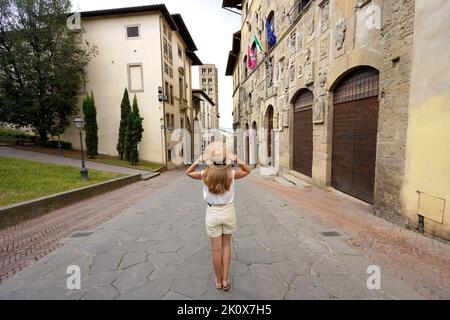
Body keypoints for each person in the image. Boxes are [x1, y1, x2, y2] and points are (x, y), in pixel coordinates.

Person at [185, 142, 251, 291]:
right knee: (226, 245)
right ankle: (226, 280)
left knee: (216, 250)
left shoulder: (205, 174)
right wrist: (236, 159)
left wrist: (199, 160)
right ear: (226, 160)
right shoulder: (231, 174)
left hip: (212, 213)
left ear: (211, 160)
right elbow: (247, 171)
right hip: (228, 211)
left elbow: (188, 172)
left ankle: (219, 280)